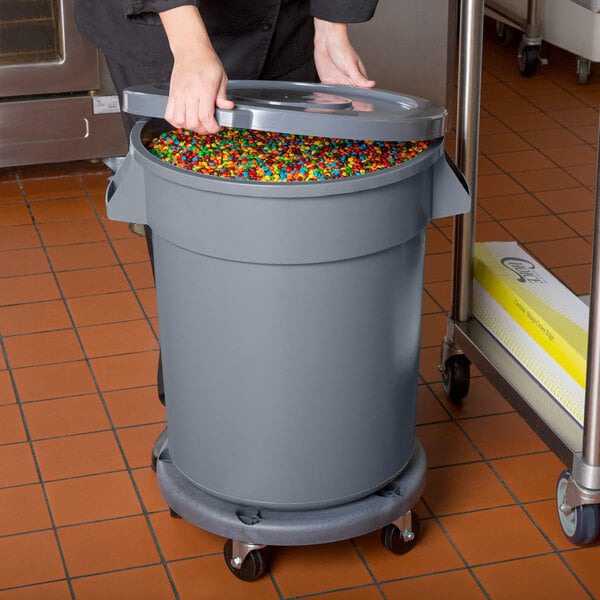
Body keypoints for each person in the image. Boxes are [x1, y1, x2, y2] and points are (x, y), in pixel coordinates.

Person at [74, 0, 379, 409]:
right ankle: (199, 409)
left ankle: (296, 392)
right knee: (196, 227)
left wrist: (330, 28)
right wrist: (189, 44)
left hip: (284, 27)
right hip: (167, 30)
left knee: (289, 222)